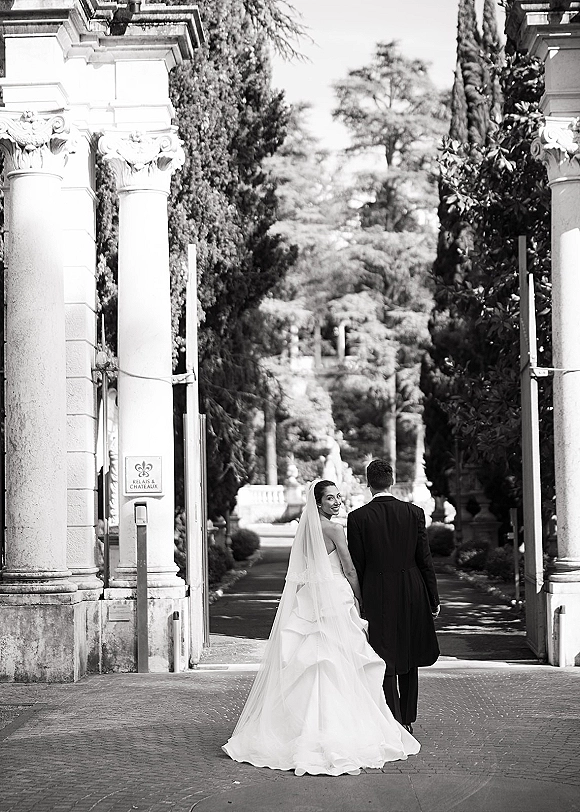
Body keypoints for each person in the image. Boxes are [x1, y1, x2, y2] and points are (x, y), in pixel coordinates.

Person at [222, 479, 420, 776]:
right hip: (335, 596)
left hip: (310, 598)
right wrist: (358, 596)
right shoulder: (334, 529)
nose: (337, 502)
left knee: (311, 661)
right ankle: (340, 730)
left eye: (338, 496)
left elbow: (301, 570)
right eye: (330, 498)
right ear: (318, 503)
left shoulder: (304, 531)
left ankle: (298, 730)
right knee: (340, 661)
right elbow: (349, 567)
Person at [347, 459, 440, 734]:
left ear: (368, 483)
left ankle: (393, 718)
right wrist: (433, 598)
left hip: (377, 591)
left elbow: (358, 564)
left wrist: (359, 601)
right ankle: (408, 718)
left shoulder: (358, 518)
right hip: (412, 588)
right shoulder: (414, 513)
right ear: (392, 480)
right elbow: (425, 559)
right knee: (409, 654)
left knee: (383, 653)